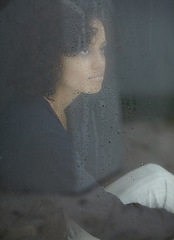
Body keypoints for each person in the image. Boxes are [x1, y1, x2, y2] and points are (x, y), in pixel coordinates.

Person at [0, 0, 174, 239]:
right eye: (84, 50)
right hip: (56, 234)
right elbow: (108, 221)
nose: (99, 62)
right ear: (51, 55)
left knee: (159, 178)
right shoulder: (36, 130)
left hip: (65, 221)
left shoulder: (51, 106)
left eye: (101, 49)